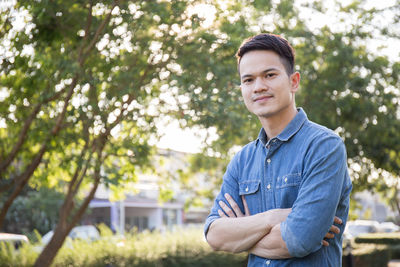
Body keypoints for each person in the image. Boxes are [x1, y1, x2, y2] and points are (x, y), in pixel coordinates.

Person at [204, 33, 352, 266]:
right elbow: (214, 235)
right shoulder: (242, 160)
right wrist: (274, 218)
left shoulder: (324, 146)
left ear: (294, 81)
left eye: (270, 75)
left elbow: (298, 240)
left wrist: (242, 236)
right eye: (248, 80)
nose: (259, 87)